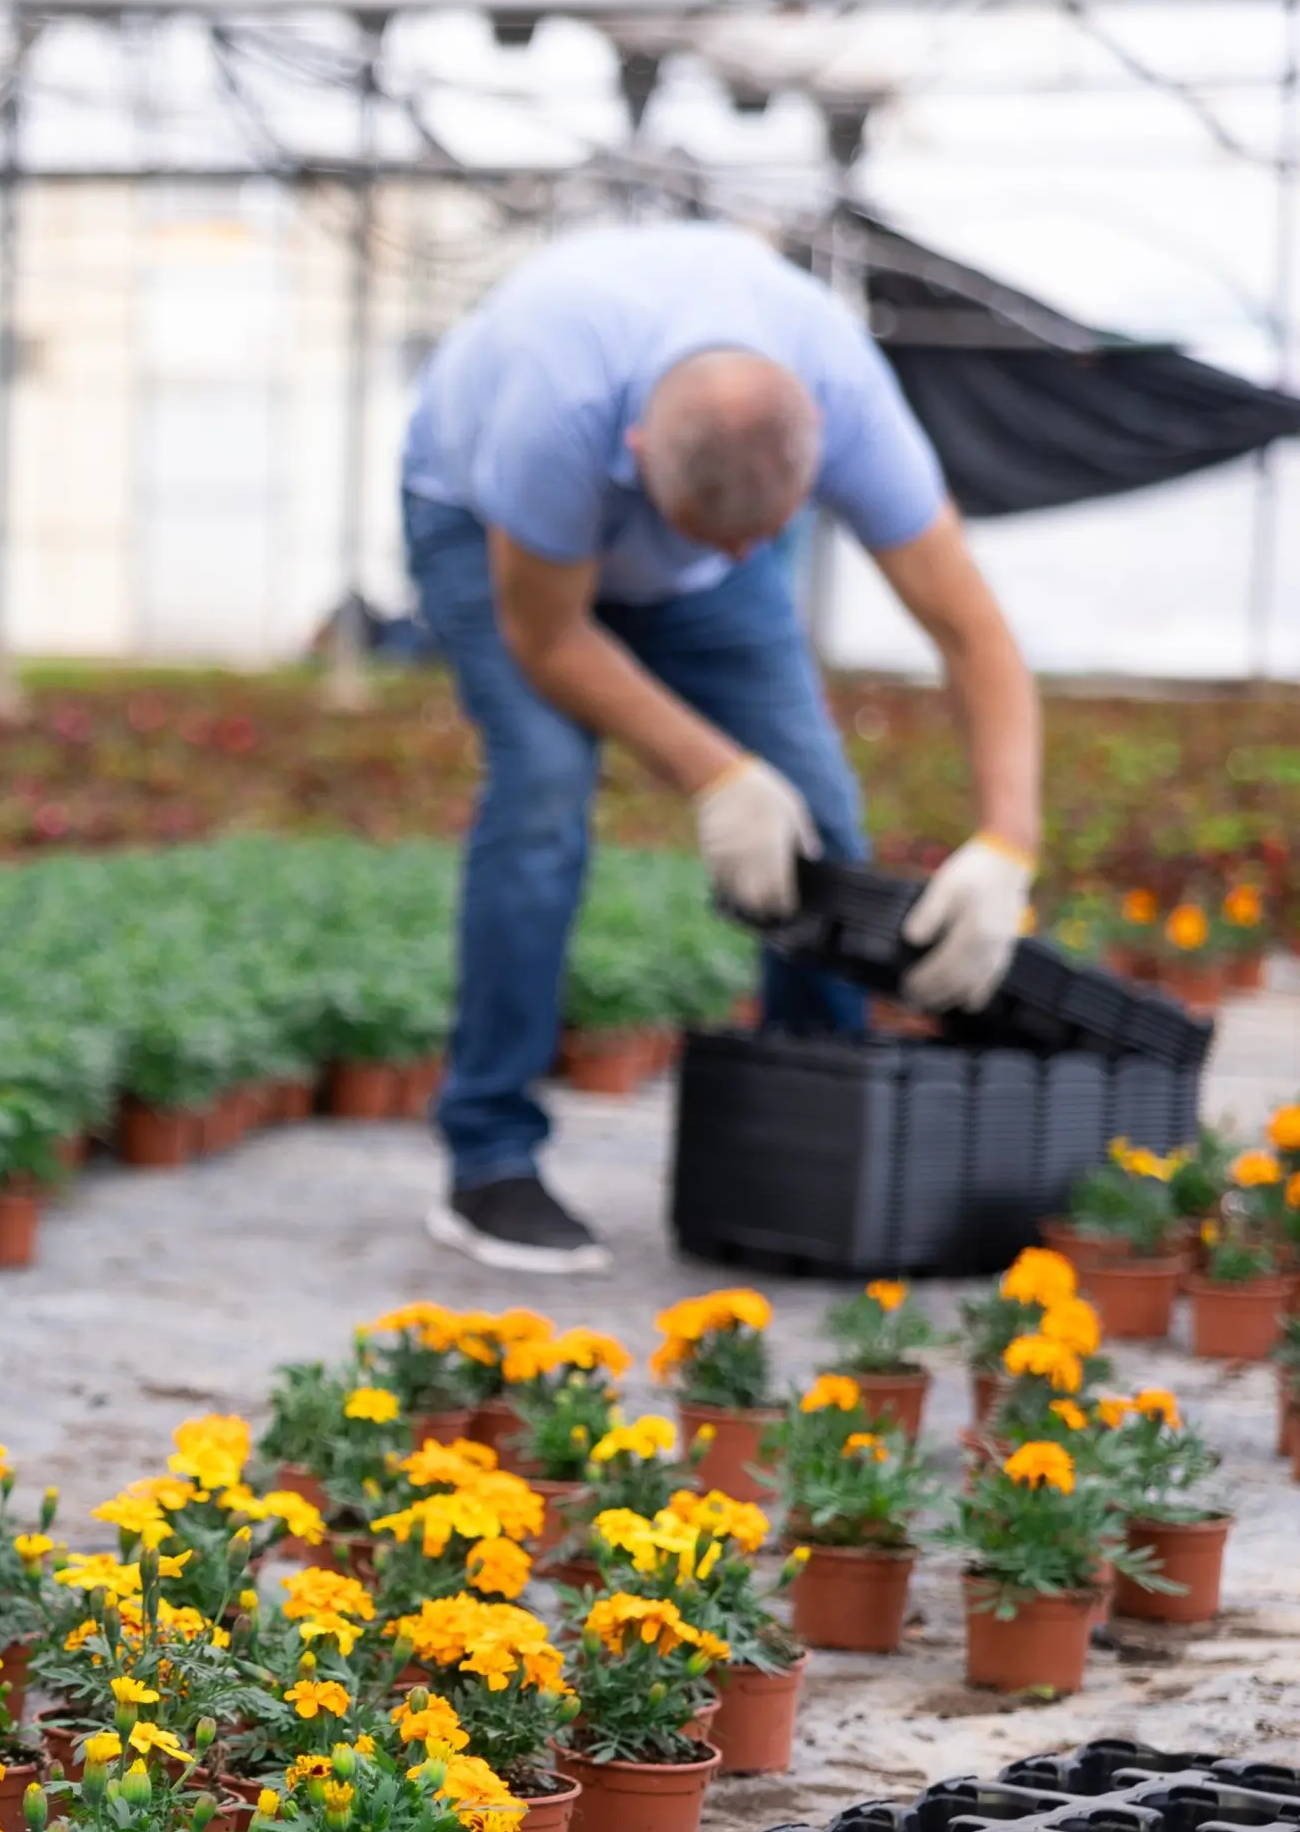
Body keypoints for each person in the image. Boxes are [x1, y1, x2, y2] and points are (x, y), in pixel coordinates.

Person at [401, 220, 1042, 1275]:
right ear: (642, 455)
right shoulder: (554, 403)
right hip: (488, 531)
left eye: (769, 536)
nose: (748, 555)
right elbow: (551, 637)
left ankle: (817, 1130)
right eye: (719, 535)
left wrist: (1008, 843)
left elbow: (972, 631)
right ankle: (489, 1156)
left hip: (686, 553)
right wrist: (717, 772)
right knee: (545, 791)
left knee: (821, 815)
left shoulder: (844, 391)